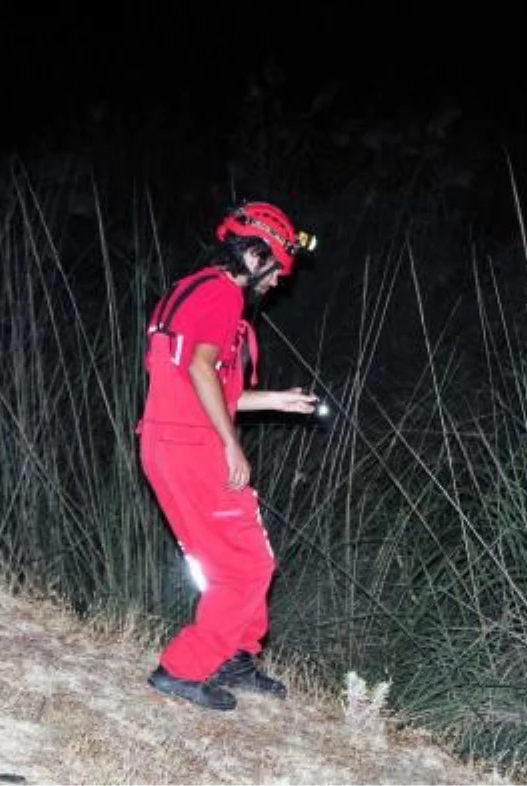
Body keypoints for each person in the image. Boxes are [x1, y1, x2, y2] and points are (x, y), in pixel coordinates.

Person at [137, 201, 318, 711]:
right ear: (256, 254)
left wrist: (276, 400)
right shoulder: (222, 295)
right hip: (194, 447)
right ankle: (183, 668)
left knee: (228, 563)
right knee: (247, 566)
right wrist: (231, 444)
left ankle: (236, 655)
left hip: (165, 440)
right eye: (278, 268)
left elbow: (201, 382)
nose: (279, 281)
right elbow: (200, 369)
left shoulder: (189, 290)